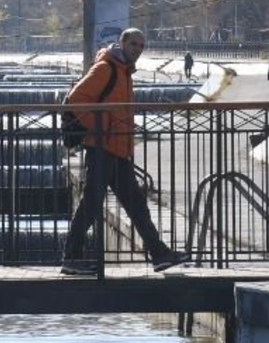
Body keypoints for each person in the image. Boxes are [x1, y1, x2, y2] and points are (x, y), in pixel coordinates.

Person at [59, 27, 191, 275]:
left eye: (141, 46)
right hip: (101, 147)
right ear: (122, 44)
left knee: (136, 203)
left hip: (118, 148)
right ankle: (71, 257)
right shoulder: (106, 68)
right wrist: (103, 128)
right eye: (134, 45)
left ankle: (159, 254)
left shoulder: (124, 71)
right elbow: (76, 99)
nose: (138, 50)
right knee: (92, 203)